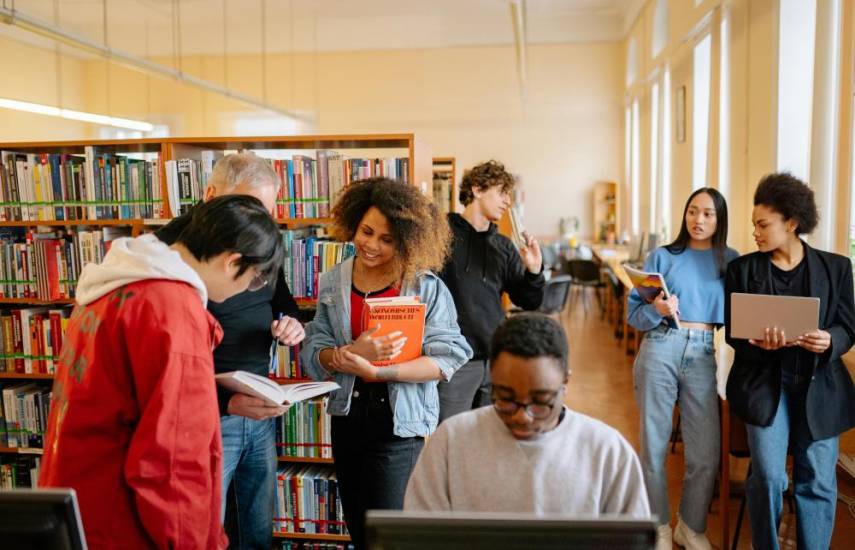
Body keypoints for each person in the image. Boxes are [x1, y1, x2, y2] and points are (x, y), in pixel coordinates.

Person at [38, 195, 285, 549]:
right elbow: (173, 460)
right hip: (125, 522)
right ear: (232, 262)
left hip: (80, 505)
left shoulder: (117, 284)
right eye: (255, 279)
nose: (248, 289)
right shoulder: (173, 310)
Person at [300, 177, 472, 549]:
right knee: (359, 527)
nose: (371, 245)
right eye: (366, 231)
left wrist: (380, 371)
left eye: (387, 239)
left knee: (389, 533)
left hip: (399, 421)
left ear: (408, 242)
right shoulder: (333, 281)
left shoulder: (424, 287)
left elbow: (448, 357)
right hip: (346, 417)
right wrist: (343, 357)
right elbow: (315, 349)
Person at [156, 152, 304, 549]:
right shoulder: (166, 262)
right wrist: (225, 401)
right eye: (248, 207)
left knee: (254, 530)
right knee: (201, 529)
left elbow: (281, 297)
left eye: (266, 213)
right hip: (207, 412)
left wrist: (289, 321)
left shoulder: (255, 241)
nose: (258, 224)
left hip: (257, 401)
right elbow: (163, 379)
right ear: (210, 195)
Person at [404, 313, 649, 517]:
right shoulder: (450, 442)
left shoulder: (608, 452)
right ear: (492, 379)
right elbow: (418, 535)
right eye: (506, 399)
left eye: (541, 402)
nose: (523, 417)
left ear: (566, 381)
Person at [725, 173, 855, 550]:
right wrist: (757, 344)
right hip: (766, 385)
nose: (756, 233)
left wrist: (830, 340)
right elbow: (734, 332)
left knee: (816, 479)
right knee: (767, 476)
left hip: (821, 387)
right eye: (754, 226)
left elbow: (848, 326)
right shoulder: (743, 270)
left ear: (792, 222)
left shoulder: (837, 268)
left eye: (763, 224)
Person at [627, 187, 739, 550]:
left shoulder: (731, 261)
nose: (699, 220)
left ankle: (689, 526)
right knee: (654, 446)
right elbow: (634, 313)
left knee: (706, 453)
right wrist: (657, 311)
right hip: (661, 345)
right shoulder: (661, 256)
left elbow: (738, 316)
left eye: (708, 213)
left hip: (705, 352)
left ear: (719, 219)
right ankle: (657, 525)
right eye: (693, 211)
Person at [437, 160, 544, 422]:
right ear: (477, 189)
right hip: (456, 361)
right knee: (452, 439)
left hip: (496, 361)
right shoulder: (441, 236)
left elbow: (529, 300)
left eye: (509, 195)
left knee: (489, 440)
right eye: (501, 193)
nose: (507, 201)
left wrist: (534, 271)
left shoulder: (503, 246)